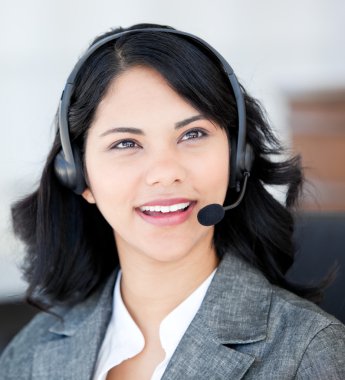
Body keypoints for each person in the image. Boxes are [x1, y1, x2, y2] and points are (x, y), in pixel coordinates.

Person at [1, 23, 344, 379]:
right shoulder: (29, 356)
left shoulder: (306, 352)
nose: (165, 173)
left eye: (192, 134)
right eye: (126, 144)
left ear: (237, 159)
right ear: (79, 176)